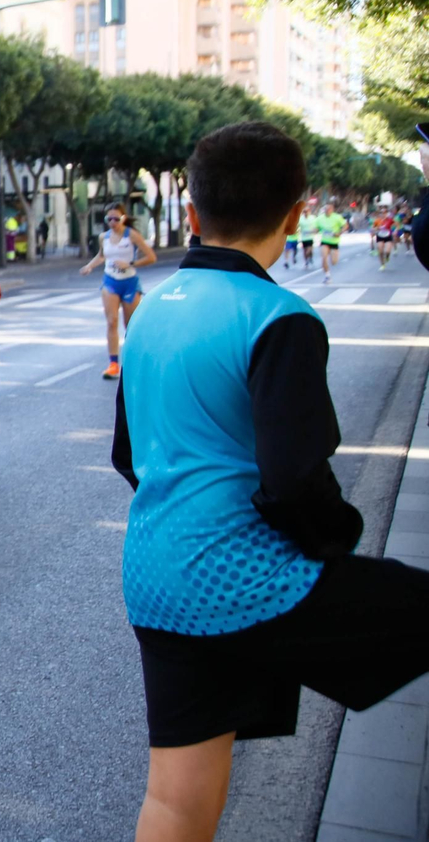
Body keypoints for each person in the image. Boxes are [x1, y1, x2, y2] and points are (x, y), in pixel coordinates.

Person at [112, 121, 429, 842]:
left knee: (174, 803)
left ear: (191, 215)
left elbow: (128, 457)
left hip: (155, 574)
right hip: (245, 581)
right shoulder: (279, 316)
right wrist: (340, 542)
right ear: (295, 215)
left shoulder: (152, 308)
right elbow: (292, 482)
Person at [79, 203, 159, 380]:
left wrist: (130, 264)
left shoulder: (132, 235)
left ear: (123, 218)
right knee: (111, 321)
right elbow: (102, 255)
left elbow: (151, 257)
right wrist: (89, 266)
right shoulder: (104, 237)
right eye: (109, 219)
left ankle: (134, 362)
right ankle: (113, 364)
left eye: (116, 218)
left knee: (130, 326)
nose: (113, 222)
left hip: (130, 283)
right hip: (110, 282)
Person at [316, 202, 347, 283]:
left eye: (329, 209)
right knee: (324, 257)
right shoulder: (320, 218)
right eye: (326, 209)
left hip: (334, 242)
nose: (327, 210)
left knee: (334, 262)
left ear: (332, 209)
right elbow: (316, 228)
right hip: (324, 241)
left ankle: (332, 258)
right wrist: (312, 231)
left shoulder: (337, 217)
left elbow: (345, 226)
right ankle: (327, 276)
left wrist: (340, 232)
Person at [296, 204, 319, 270]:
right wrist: (298, 230)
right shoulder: (301, 218)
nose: (305, 213)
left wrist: (315, 230)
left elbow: (316, 226)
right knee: (305, 250)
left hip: (310, 237)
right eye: (304, 211)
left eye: (307, 211)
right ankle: (306, 262)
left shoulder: (313, 218)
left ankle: (310, 257)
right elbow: (298, 226)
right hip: (303, 237)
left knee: (309, 250)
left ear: (309, 212)